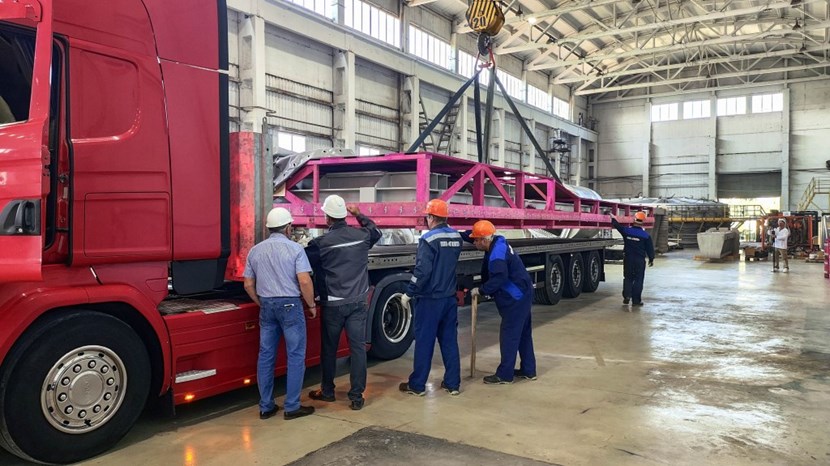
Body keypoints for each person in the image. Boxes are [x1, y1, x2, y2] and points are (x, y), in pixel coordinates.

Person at [305, 195, 382, 411]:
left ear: (327, 218)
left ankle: (327, 391)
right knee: (357, 349)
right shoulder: (361, 236)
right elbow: (377, 232)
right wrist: (359, 215)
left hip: (333, 306)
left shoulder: (320, 244)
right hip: (358, 301)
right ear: (344, 215)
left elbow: (301, 264)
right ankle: (356, 396)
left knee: (329, 349)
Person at [243, 207, 316, 421]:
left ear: (268, 228)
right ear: (288, 227)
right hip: (291, 306)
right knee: (295, 355)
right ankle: (292, 407)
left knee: (266, 355)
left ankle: (266, 406)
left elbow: (248, 284)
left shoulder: (255, 251)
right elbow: (304, 280)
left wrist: (261, 302)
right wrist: (311, 305)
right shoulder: (295, 249)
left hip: (267, 306)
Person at [399, 199, 463, 396]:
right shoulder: (456, 237)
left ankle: (417, 385)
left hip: (430, 299)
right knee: (449, 341)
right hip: (449, 297)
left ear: (432, 217)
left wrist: (409, 292)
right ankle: (453, 384)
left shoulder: (428, 239)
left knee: (425, 342)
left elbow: (423, 270)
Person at [465, 220, 536, 385]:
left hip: (516, 298)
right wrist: (454, 232)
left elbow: (499, 278)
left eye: (476, 240)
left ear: (484, 240)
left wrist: (481, 290)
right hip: (523, 293)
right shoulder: (498, 242)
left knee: (509, 335)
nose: (474, 243)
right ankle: (528, 369)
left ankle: (505, 375)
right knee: (524, 333)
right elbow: (475, 236)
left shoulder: (496, 255)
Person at [610, 211, 655, 306]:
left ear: (634, 220)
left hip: (628, 258)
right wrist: (651, 259)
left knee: (628, 277)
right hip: (639, 260)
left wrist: (613, 218)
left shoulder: (627, 231)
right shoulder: (646, 236)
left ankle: (627, 296)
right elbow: (650, 249)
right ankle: (636, 301)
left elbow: (617, 226)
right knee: (638, 279)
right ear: (643, 222)